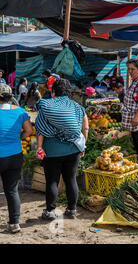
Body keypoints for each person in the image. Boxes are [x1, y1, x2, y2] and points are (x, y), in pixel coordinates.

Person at [35, 78, 89, 220]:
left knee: (52, 180)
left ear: (53, 92)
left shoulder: (47, 107)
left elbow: (40, 129)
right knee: (71, 179)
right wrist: (82, 145)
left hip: (52, 151)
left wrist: (39, 147)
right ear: (69, 92)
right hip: (74, 149)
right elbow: (85, 126)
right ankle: (72, 210)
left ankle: (50, 211)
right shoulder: (77, 107)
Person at [0, 83, 33, 233]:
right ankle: (14, 223)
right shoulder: (20, 111)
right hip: (14, 156)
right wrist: (18, 138)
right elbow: (29, 130)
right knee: (12, 190)